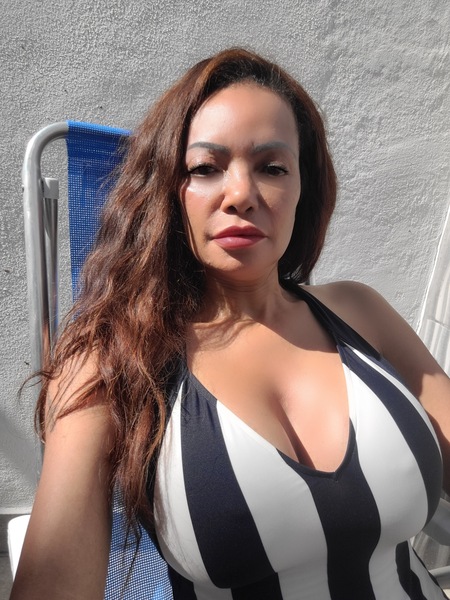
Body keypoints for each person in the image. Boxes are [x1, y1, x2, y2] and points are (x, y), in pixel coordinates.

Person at [10, 47, 450, 600]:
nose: (241, 194)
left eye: (272, 167)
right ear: (168, 192)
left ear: (303, 189)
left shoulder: (360, 313)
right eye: (204, 168)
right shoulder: (112, 362)